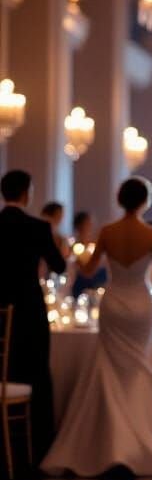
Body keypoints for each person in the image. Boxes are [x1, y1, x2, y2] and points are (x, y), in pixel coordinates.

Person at [41, 177, 152, 477]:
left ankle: (106, 443)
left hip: (113, 304)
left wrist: (73, 253)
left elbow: (87, 269)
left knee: (110, 364)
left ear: (120, 198)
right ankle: (145, 435)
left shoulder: (107, 231)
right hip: (141, 305)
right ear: (146, 202)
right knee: (140, 364)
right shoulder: (151, 233)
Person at [0, 170, 66, 460]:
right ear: (27, 193)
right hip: (29, 309)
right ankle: (39, 446)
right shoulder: (38, 227)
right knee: (37, 373)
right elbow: (59, 266)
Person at [70, 210, 106, 298]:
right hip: (81, 281)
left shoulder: (94, 243)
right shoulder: (73, 245)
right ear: (79, 225)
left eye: (90, 222)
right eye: (87, 222)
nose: (90, 225)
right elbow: (75, 263)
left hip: (96, 278)